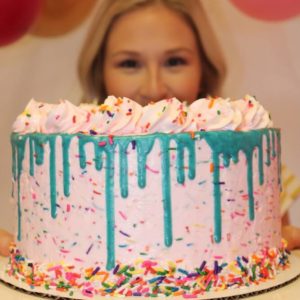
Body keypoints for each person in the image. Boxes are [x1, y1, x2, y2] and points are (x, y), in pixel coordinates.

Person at [78, 0, 300, 250]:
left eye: (174, 61)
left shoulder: (251, 163)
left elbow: (279, 254)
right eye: (130, 64)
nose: (154, 89)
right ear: (100, 73)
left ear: (203, 69)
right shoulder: (71, 167)